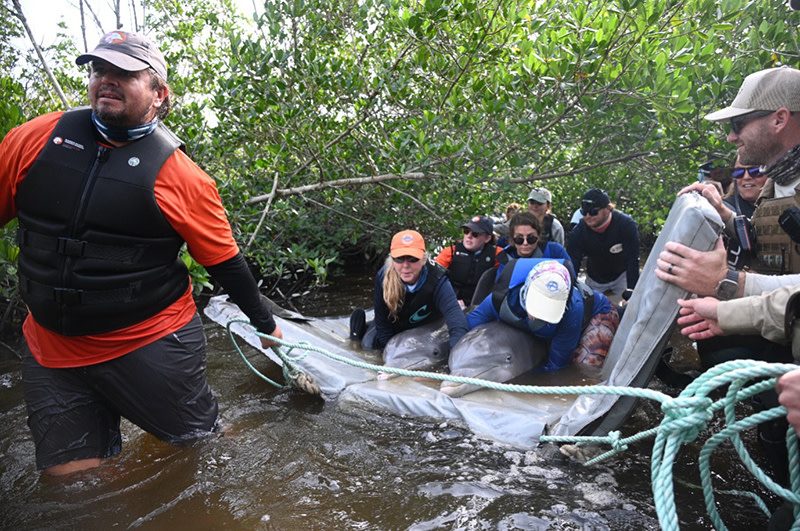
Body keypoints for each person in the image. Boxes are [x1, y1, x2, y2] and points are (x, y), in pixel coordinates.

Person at [0, 31, 284, 476]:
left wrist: (266, 326)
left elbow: (225, 263)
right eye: (99, 71)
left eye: (125, 74)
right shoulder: (33, 139)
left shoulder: (182, 177)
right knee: (73, 488)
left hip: (149, 342)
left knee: (202, 455)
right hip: (51, 348)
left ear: (158, 94)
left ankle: (251, 433)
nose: (106, 80)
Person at [656, 66, 800, 294]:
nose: (731, 137)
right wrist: (723, 212)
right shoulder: (777, 181)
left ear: (779, 120)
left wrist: (729, 282)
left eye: (737, 125)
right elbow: (763, 238)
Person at [467, 259, 619, 371]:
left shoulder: (572, 310)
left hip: (598, 314)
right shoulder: (501, 299)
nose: (537, 316)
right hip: (549, 331)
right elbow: (472, 323)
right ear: (526, 290)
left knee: (584, 368)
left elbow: (557, 365)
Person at [351, 230, 468, 351]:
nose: (406, 266)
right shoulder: (383, 276)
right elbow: (383, 323)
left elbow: (457, 323)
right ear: (392, 260)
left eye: (413, 259)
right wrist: (388, 354)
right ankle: (358, 330)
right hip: (396, 324)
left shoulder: (438, 281)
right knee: (368, 344)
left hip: (425, 328)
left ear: (424, 260)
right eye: (399, 259)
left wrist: (456, 355)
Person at [567, 188, 640, 295]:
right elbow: (572, 266)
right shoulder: (578, 233)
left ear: (608, 208)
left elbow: (632, 260)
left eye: (593, 211)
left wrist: (632, 291)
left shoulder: (626, 225)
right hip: (594, 279)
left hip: (621, 277)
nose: (588, 216)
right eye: (584, 212)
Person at [434, 215, 502, 306]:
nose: (469, 236)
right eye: (466, 232)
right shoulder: (451, 252)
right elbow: (433, 279)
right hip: (452, 301)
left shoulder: (497, 254)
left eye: (475, 234)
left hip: (481, 303)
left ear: (487, 238)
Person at [496, 212, 571, 269]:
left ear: (538, 236)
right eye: (519, 239)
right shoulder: (505, 258)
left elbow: (572, 279)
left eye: (531, 238)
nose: (525, 243)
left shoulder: (555, 251)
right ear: (512, 238)